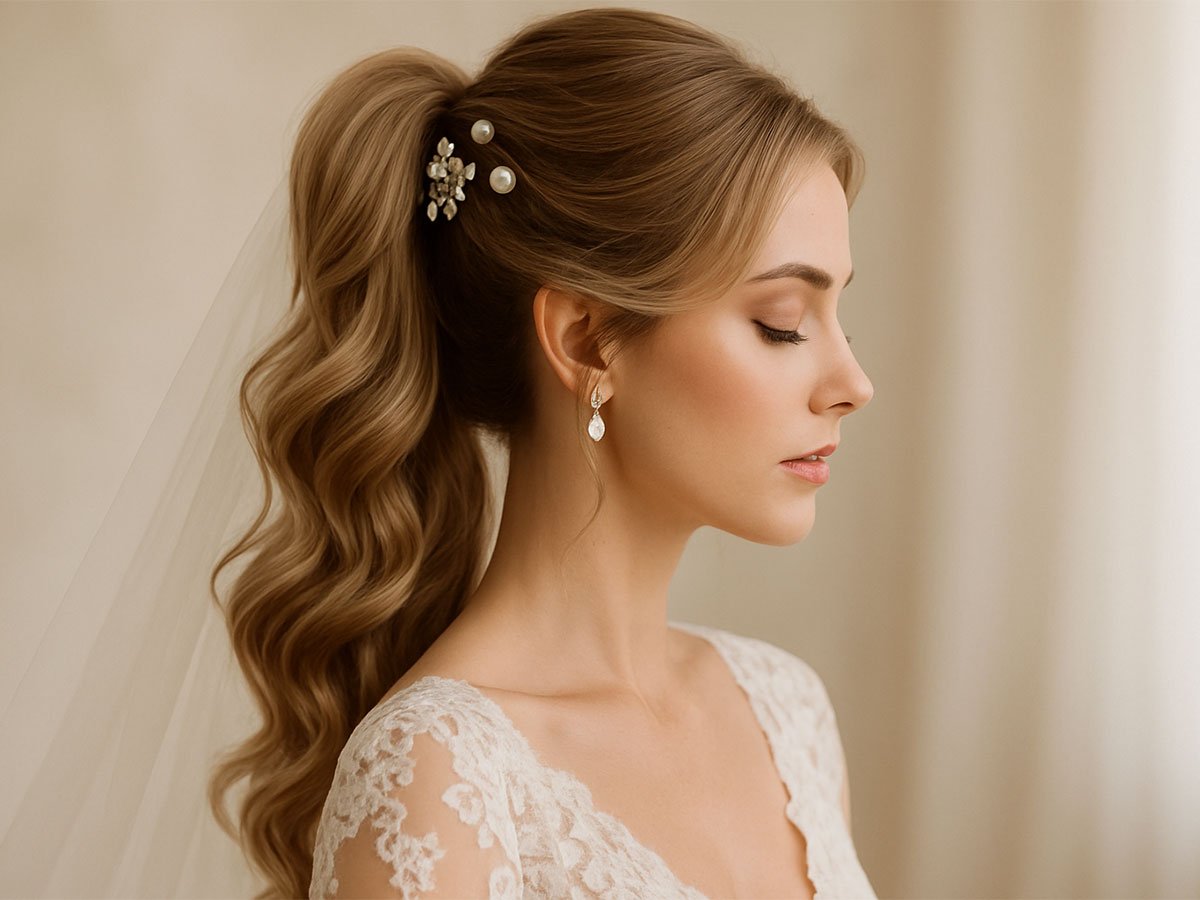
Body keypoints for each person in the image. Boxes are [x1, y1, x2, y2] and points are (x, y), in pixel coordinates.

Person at [207, 7, 876, 898]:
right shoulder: (439, 779)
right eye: (782, 323)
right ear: (588, 341)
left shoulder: (783, 711)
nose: (853, 382)